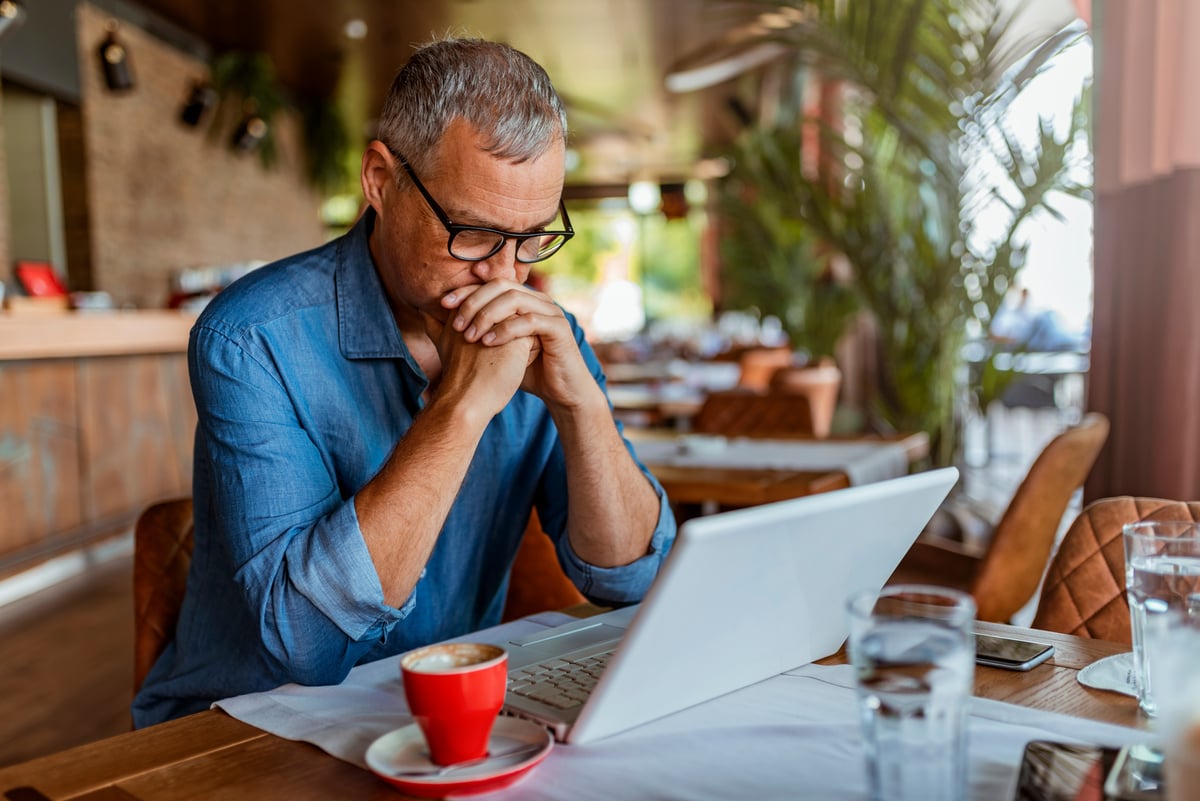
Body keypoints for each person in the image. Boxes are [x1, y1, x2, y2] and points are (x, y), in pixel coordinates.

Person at [132, 38, 677, 727]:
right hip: (240, 728)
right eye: (474, 233)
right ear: (381, 179)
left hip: (438, 715)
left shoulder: (544, 332)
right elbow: (308, 643)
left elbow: (633, 579)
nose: (506, 276)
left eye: (534, 237)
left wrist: (582, 405)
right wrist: (464, 405)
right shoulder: (251, 337)